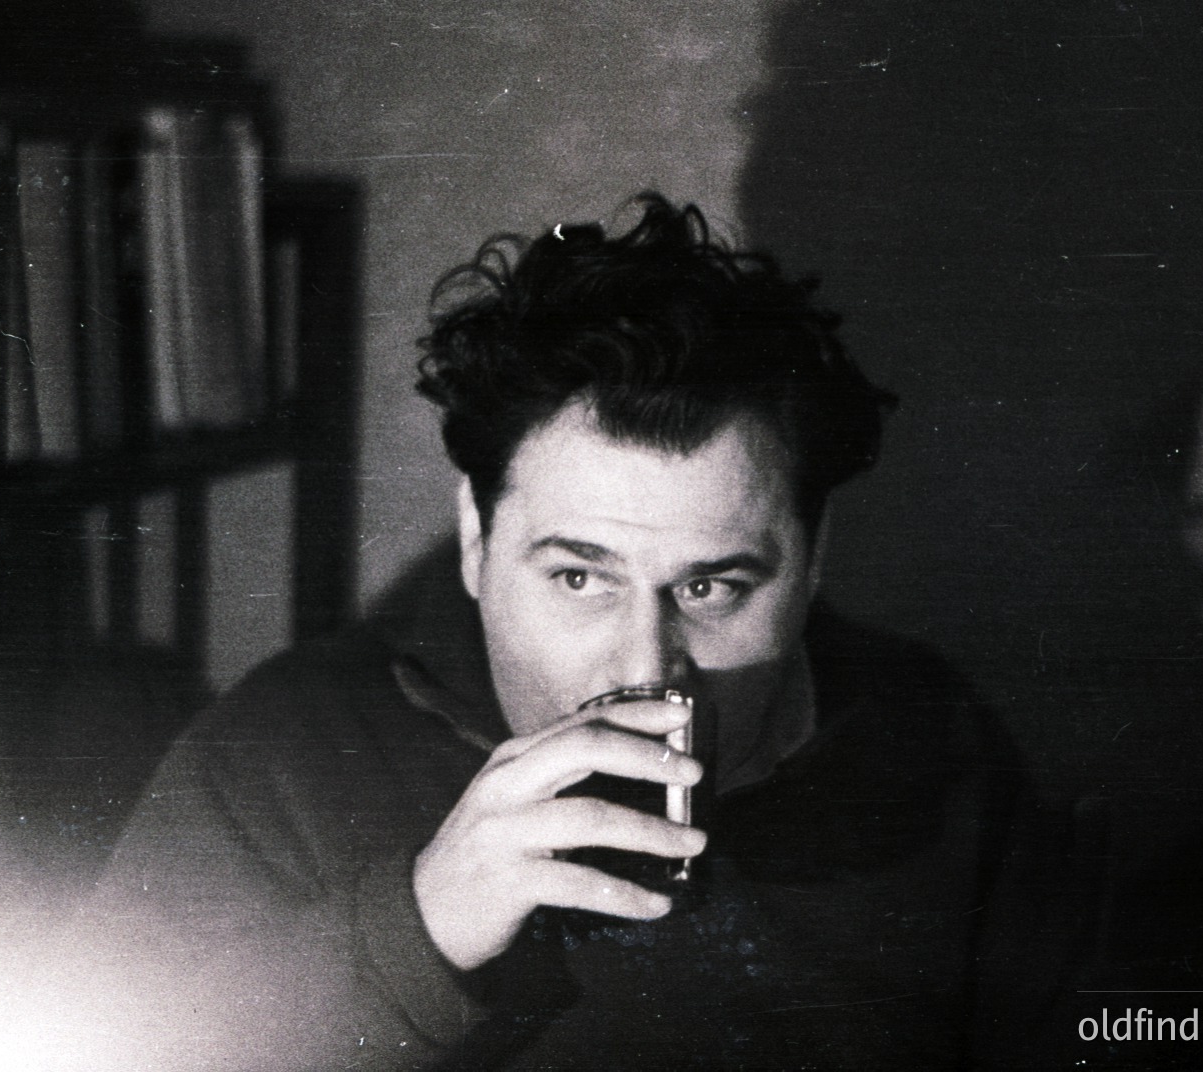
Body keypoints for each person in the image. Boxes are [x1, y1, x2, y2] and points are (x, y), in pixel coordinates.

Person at [91, 194, 1024, 1067]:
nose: (643, 667)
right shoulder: (280, 755)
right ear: (475, 539)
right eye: (579, 577)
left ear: (814, 561)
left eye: (710, 587)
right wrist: (420, 925)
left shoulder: (935, 739)